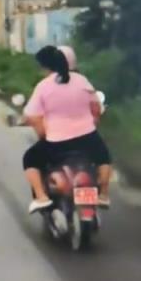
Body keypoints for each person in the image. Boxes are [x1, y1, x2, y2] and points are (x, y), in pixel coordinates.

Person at [21, 45, 112, 213]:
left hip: (57, 144)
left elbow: (33, 117)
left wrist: (43, 133)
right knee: (104, 157)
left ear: (46, 67)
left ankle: (41, 197)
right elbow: (95, 108)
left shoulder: (44, 86)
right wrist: (93, 122)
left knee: (30, 158)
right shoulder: (82, 80)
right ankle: (104, 194)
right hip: (88, 139)